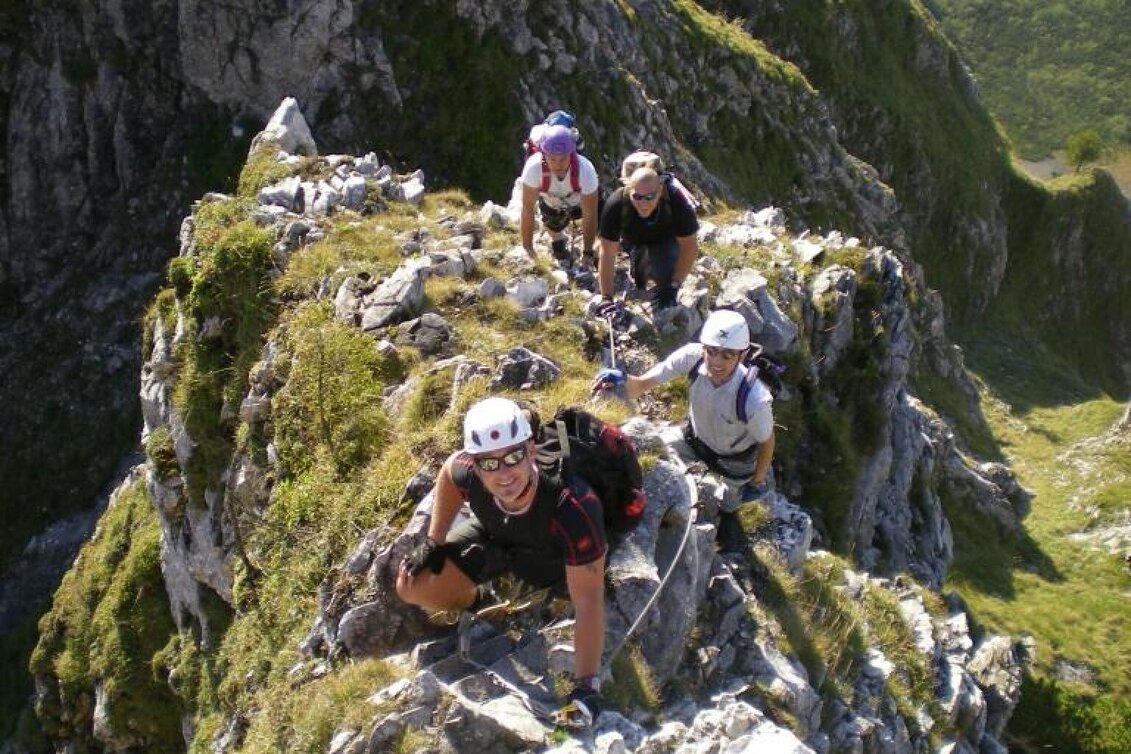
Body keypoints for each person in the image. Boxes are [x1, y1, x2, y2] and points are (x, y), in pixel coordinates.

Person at [396, 397, 606, 727]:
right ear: (477, 465)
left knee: (571, 588)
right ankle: (481, 603)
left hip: (550, 560)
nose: (504, 473)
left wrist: (586, 686)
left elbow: (589, 600)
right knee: (412, 585)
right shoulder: (468, 472)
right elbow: (450, 470)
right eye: (490, 464)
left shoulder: (572, 507)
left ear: (531, 451)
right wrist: (434, 541)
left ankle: (516, 592)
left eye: (513, 457)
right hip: (500, 536)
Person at [590, 309, 775, 551]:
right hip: (693, 440)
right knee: (652, 448)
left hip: (735, 462)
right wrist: (622, 380)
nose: (717, 362)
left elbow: (767, 441)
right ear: (703, 347)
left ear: (742, 356)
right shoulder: (691, 358)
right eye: (712, 351)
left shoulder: (754, 399)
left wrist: (758, 481)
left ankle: (729, 518)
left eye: (727, 355)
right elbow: (643, 385)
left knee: (730, 501)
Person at [594, 152, 700, 310]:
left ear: (660, 190)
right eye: (637, 197)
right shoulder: (616, 204)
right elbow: (607, 252)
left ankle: (661, 274)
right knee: (600, 252)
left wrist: (673, 286)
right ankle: (638, 259)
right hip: (633, 240)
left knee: (663, 274)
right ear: (629, 190)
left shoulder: (676, 201)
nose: (644, 203)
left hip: (666, 240)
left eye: (650, 196)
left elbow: (689, 247)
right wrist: (606, 298)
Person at [519, 124, 600, 266]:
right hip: (553, 205)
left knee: (602, 215)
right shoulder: (533, 169)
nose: (558, 165)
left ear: (571, 154)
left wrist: (587, 251)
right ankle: (558, 238)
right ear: (544, 155)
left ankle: (600, 249)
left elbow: (590, 214)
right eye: (552, 159)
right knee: (554, 226)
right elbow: (527, 209)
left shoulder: (586, 170)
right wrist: (528, 248)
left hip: (579, 202)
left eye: (562, 159)